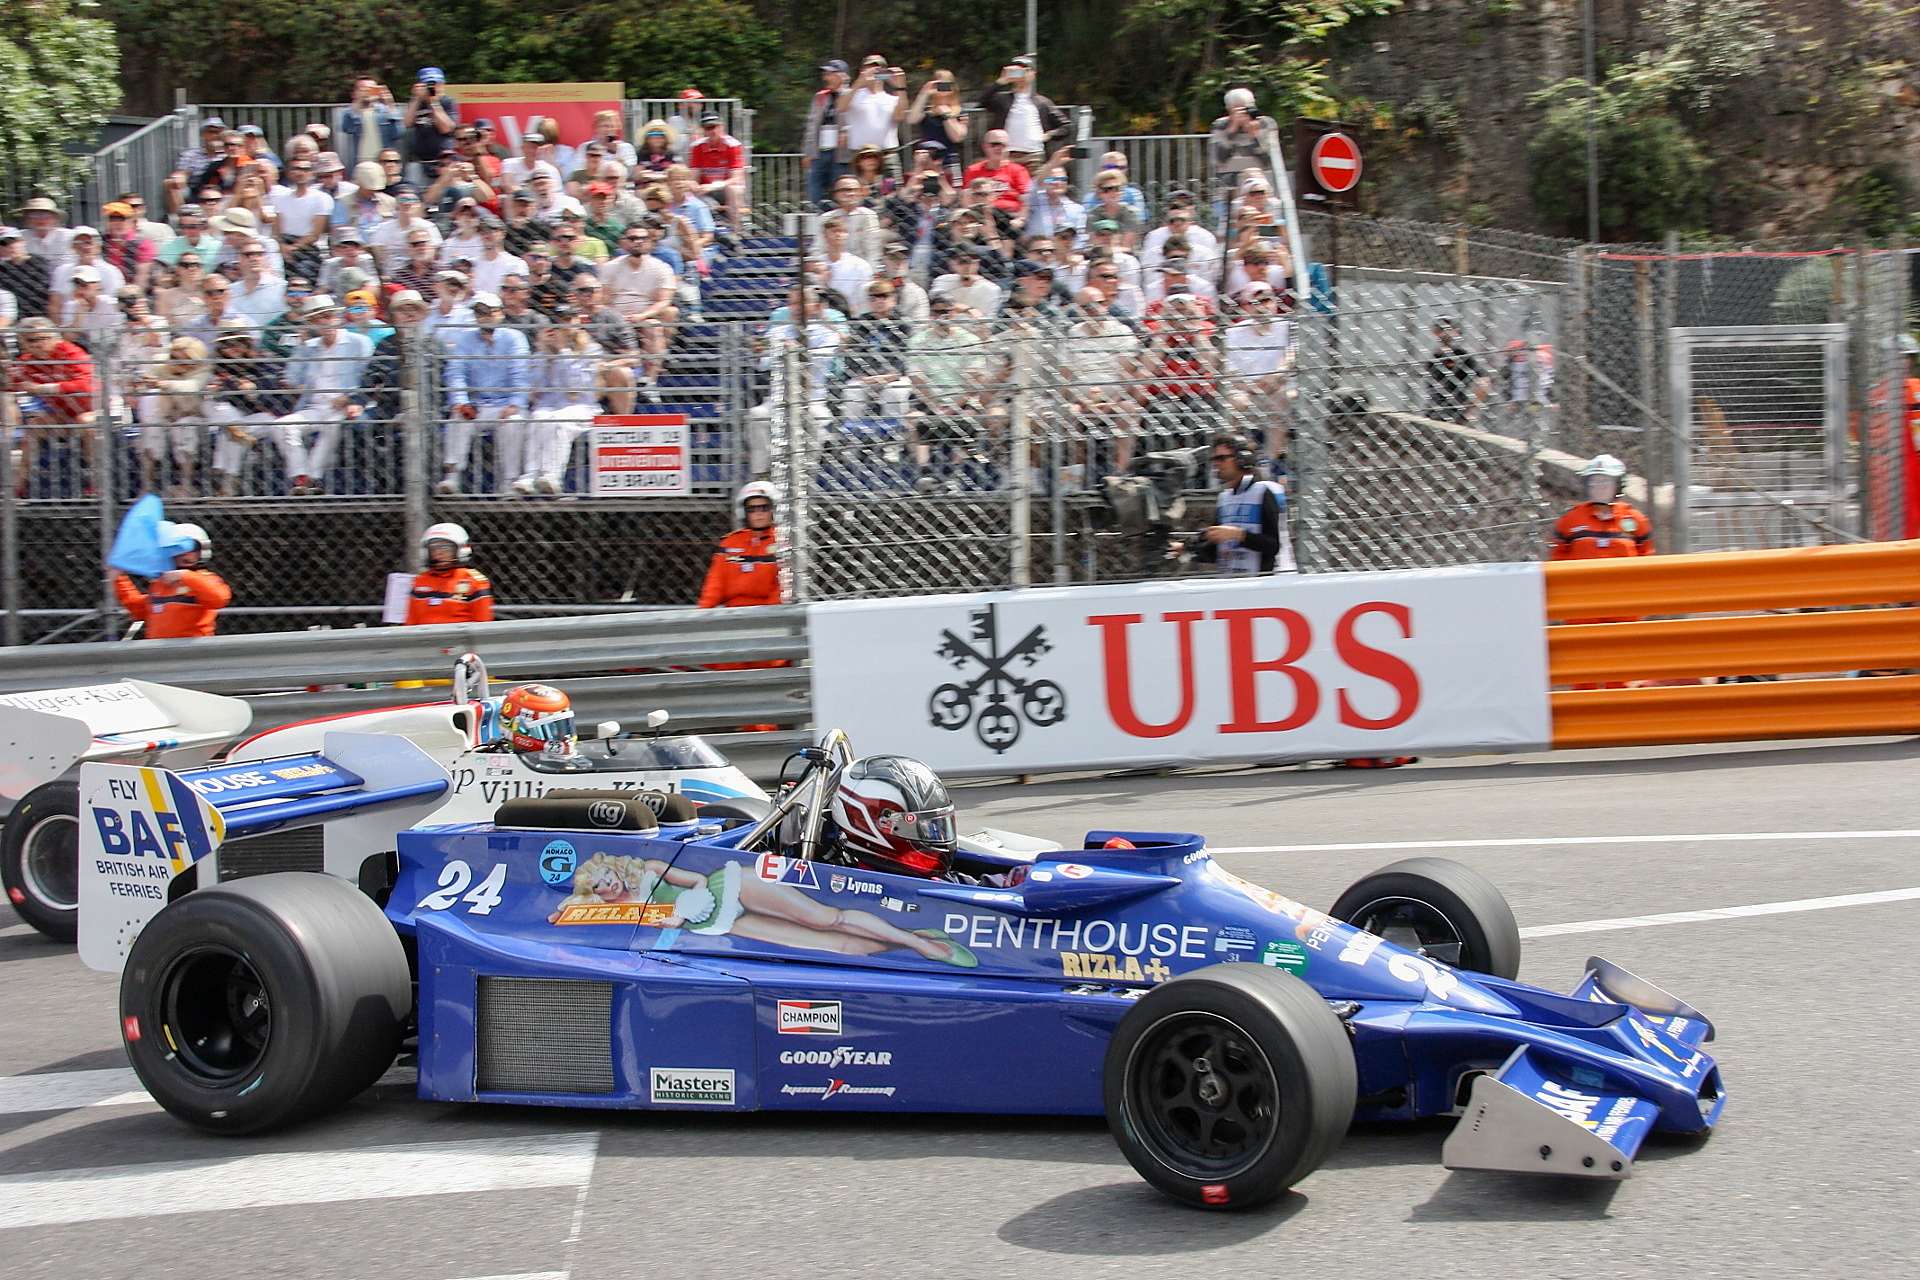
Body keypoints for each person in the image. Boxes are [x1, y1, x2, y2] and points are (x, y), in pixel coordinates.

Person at [276, 293, 374, 493]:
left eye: (328, 316)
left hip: (345, 404)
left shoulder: (358, 342)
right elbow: (290, 379)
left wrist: (351, 398)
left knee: (333, 425)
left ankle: (313, 479)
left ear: (337, 318)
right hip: (314, 406)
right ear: (311, 323)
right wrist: (302, 347)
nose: (324, 322)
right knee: (282, 426)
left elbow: (370, 377)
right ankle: (301, 475)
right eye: (317, 319)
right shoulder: (309, 347)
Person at [440, 291, 531, 493]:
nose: (484, 316)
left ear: (500, 313)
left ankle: (509, 482)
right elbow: (456, 373)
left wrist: (515, 404)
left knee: (513, 422)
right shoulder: (465, 339)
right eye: (479, 312)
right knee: (459, 416)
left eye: (489, 311)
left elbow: (521, 373)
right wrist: (461, 401)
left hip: (506, 403)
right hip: (478, 404)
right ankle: (452, 478)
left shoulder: (514, 338)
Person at [111, 524, 231, 639]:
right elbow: (140, 610)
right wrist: (119, 579)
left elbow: (218, 599)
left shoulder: (204, 578)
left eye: (191, 548)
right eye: (176, 548)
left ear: (202, 551)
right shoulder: (160, 584)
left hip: (192, 650)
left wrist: (185, 576)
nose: (184, 553)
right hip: (160, 650)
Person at [1550, 454, 1653, 560]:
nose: (1599, 487)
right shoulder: (1570, 519)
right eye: (1594, 482)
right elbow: (1557, 561)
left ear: (1618, 485)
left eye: (1605, 481)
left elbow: (1647, 559)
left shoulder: (1635, 519)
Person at [977, 57, 1071, 172]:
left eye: (1025, 70)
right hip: (1006, 156)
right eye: (1016, 71)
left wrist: (1049, 135)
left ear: (1033, 74)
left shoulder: (1042, 102)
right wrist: (1001, 81)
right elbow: (982, 101)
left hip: (1034, 156)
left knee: (1034, 182)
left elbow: (1066, 126)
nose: (1021, 74)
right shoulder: (1002, 99)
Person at [698, 481, 782, 608]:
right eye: (752, 509)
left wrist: (768, 615)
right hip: (733, 612)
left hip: (770, 612)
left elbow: (782, 588)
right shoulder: (730, 542)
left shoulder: (782, 541)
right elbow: (714, 585)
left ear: (773, 510)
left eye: (764, 508)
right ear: (744, 512)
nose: (758, 513)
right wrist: (703, 612)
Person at [1209, 89, 1277, 230]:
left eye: (1248, 108)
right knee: (1229, 230)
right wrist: (1231, 131)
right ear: (1229, 110)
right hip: (1228, 187)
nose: (1244, 113)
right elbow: (1219, 159)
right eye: (1239, 109)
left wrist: (1255, 137)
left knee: (1263, 228)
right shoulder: (1220, 125)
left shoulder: (1265, 123)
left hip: (1259, 188)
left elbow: (1269, 160)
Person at [406, 522, 494, 624]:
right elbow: (410, 623)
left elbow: (483, 624)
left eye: (446, 548)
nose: (439, 553)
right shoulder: (420, 581)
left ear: (460, 550)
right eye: (434, 548)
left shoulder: (474, 581)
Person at [1425, 315, 1488, 424]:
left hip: (1456, 413)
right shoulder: (1434, 358)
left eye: (1448, 329)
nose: (1444, 333)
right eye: (1440, 329)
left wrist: (1470, 409)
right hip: (1434, 412)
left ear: (1456, 332)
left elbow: (1484, 382)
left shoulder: (1461, 355)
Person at [804, 60, 851, 208]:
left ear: (842, 75)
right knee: (814, 187)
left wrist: (847, 131)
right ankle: (817, 215)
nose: (826, 78)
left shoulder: (852, 95)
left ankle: (840, 215)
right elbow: (812, 125)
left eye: (831, 74)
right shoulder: (821, 96)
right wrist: (808, 152)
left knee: (840, 185)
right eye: (826, 74)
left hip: (841, 152)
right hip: (820, 151)